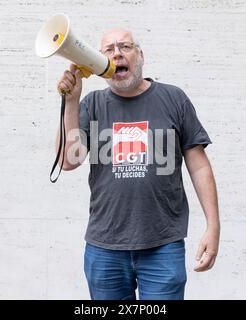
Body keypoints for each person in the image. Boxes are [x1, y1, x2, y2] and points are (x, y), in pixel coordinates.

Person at [55, 28, 220, 300]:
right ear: (98, 63)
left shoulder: (173, 99)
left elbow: (199, 166)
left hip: (163, 245)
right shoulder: (92, 104)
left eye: (125, 46)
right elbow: (68, 161)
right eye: (108, 50)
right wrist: (71, 102)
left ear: (140, 55)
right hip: (104, 247)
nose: (117, 53)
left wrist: (213, 227)